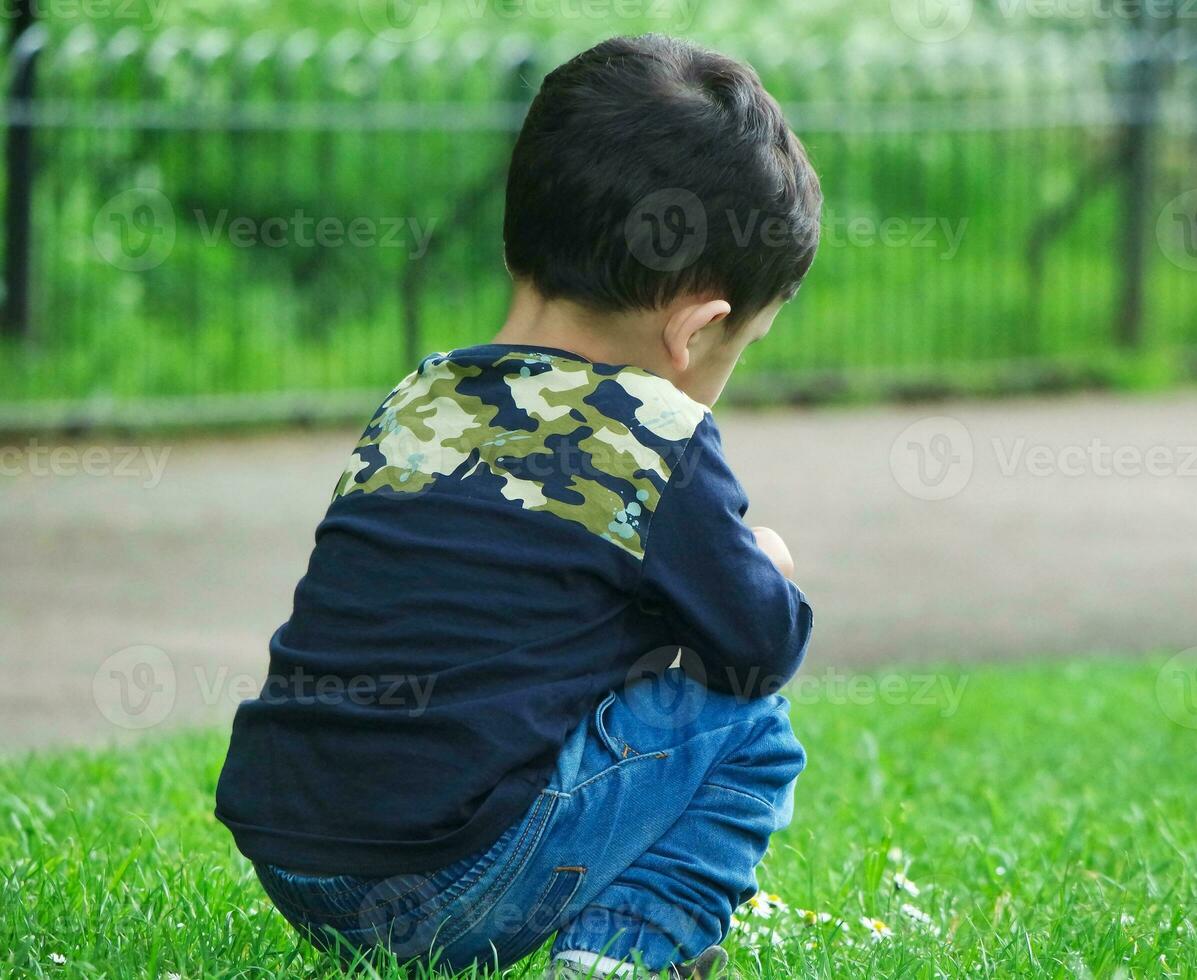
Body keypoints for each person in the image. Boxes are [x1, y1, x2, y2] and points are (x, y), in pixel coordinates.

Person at [215, 32, 823, 978]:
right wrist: (768, 563)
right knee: (750, 730)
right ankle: (619, 958)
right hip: (457, 876)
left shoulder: (421, 397)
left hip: (294, 858)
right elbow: (756, 648)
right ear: (698, 328)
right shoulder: (654, 431)